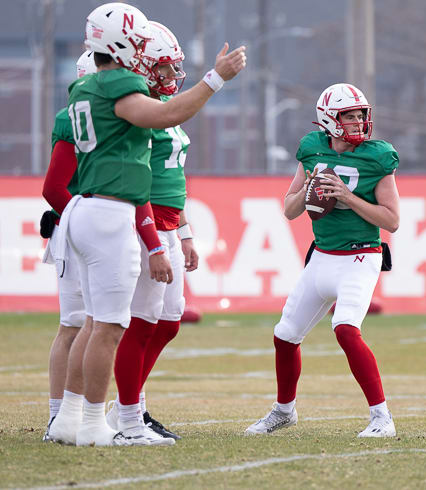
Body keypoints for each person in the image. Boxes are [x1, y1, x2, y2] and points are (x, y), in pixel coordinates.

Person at [48, 1, 246, 447]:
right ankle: (106, 421)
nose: (143, 52)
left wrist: (182, 232)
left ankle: (71, 417)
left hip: (99, 209)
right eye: (138, 42)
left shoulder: (87, 89)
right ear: (117, 44)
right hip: (116, 212)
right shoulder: (117, 84)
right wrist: (216, 79)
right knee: (109, 326)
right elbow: (165, 115)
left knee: (98, 321)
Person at [245, 83, 400, 437]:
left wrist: (348, 197)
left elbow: (391, 220)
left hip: (361, 255)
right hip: (322, 256)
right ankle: (284, 411)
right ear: (329, 120)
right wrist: (309, 187)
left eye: (361, 114)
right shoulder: (312, 149)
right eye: (349, 115)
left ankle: (382, 418)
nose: (358, 121)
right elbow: (289, 209)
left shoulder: (378, 156)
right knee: (284, 335)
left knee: (345, 328)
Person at [106, 21, 199, 442]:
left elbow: (173, 178)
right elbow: (140, 184)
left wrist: (186, 231)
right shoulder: (139, 112)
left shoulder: (163, 112)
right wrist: (155, 242)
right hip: (145, 226)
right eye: (163, 69)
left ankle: (130, 404)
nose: (171, 78)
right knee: (142, 322)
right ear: (142, 68)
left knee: (168, 322)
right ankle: (128, 414)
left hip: (168, 224)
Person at [40, 50, 97, 442]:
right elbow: (54, 187)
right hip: (80, 231)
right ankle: (58, 416)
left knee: (104, 323)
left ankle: (99, 413)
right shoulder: (73, 118)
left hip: (102, 228)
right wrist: (83, 219)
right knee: (73, 324)